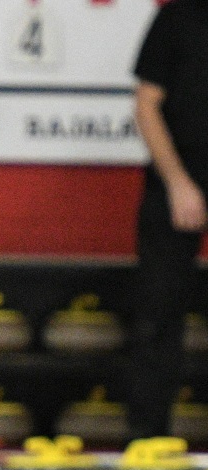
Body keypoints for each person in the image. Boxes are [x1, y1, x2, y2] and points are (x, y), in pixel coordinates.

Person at [124, 0, 208, 441]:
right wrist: (179, 183)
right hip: (176, 182)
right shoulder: (180, 17)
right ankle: (147, 442)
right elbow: (147, 105)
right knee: (158, 315)